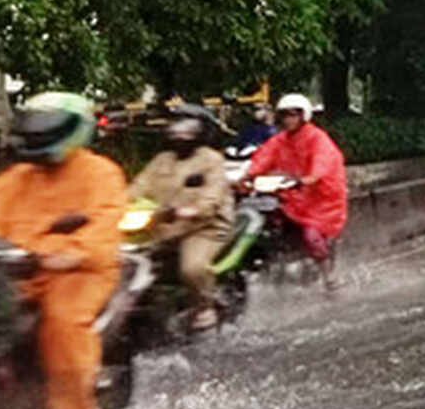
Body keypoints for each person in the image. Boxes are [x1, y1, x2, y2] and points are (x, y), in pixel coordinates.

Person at [0, 92, 126, 409]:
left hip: (77, 272)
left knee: (63, 324)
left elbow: (102, 229)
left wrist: (67, 255)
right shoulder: (16, 178)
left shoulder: (101, 174)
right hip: (14, 272)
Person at [129, 105, 234, 331]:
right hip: (163, 225)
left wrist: (192, 210)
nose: (180, 133)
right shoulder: (161, 160)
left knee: (192, 268)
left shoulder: (211, 160)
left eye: (187, 128)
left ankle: (205, 306)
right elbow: (137, 188)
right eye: (176, 126)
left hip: (203, 226)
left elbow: (212, 198)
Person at [243, 94, 348, 294]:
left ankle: (328, 276)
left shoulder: (317, 138)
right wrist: (246, 176)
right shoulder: (280, 140)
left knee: (311, 236)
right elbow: (263, 157)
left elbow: (323, 162)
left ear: (303, 116)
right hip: (291, 195)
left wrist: (309, 178)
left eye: (293, 115)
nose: (288, 120)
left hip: (318, 200)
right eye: (284, 116)